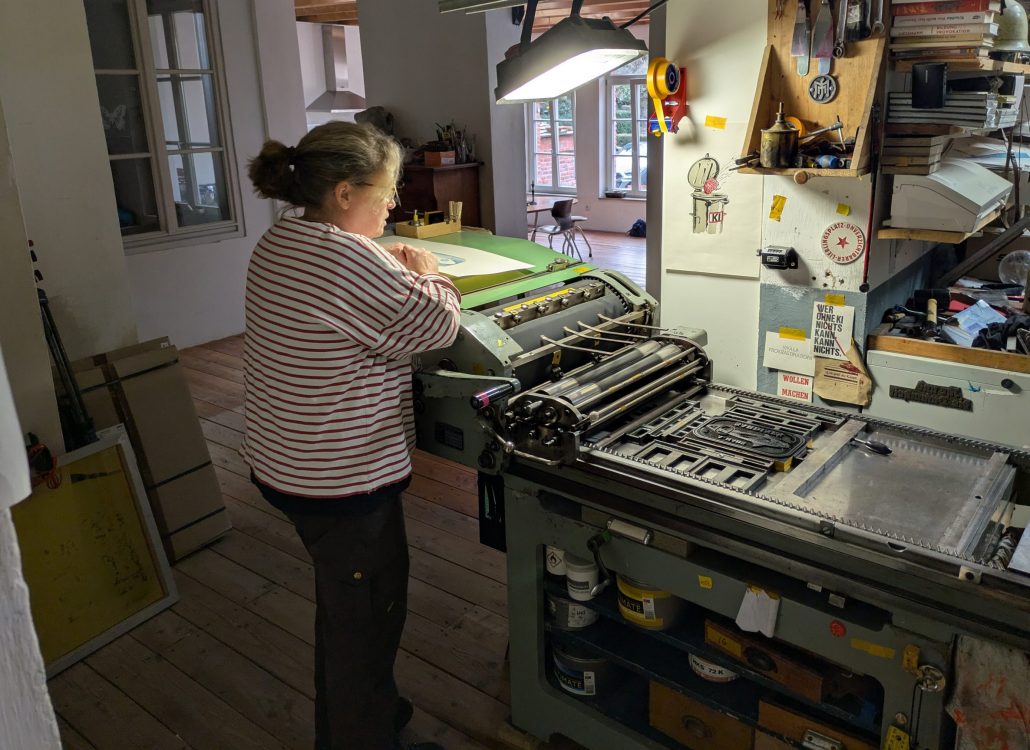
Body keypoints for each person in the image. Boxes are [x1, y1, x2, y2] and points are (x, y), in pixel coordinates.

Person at [243, 121, 461, 750]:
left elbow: (339, 303)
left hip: (284, 460)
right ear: (343, 193)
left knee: (346, 607)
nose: (393, 205)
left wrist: (380, 263)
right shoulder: (345, 258)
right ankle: (362, 737)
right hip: (340, 480)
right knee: (366, 622)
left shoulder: (284, 237)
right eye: (386, 193)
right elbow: (435, 327)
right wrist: (428, 270)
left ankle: (370, 716)